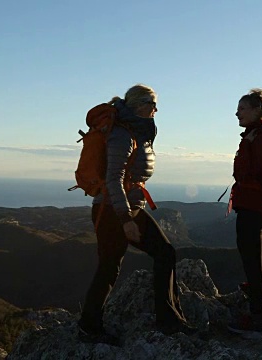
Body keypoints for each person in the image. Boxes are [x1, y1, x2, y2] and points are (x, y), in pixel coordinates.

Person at [78, 84, 194, 344]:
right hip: (113, 210)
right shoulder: (122, 135)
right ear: (138, 105)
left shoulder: (137, 132)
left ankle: (169, 320)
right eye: (151, 104)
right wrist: (125, 219)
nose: (155, 109)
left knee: (165, 253)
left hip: (127, 207)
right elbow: (113, 179)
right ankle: (89, 326)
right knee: (110, 267)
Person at [227, 88, 262, 336]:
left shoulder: (259, 138)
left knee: (253, 263)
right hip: (256, 207)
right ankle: (254, 303)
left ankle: (256, 318)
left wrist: (245, 149)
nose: (237, 113)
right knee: (250, 260)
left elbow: (250, 172)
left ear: (257, 110)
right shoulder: (257, 136)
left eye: (242, 108)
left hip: (253, 207)